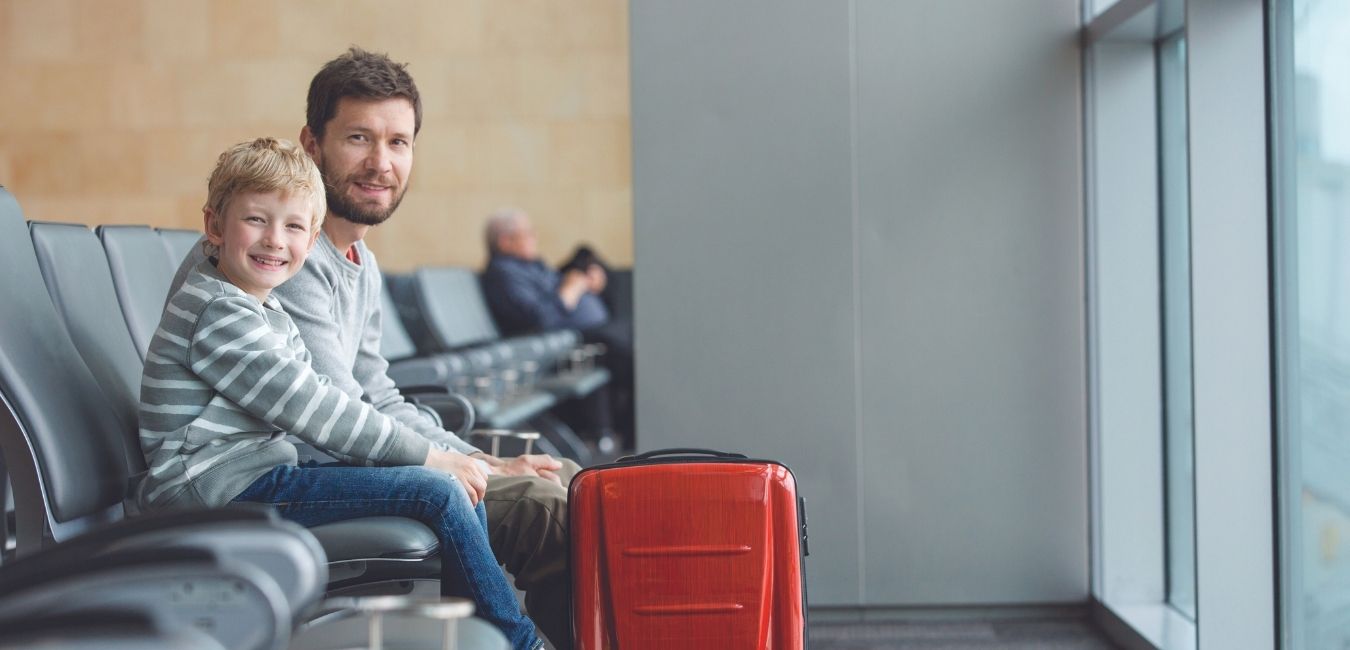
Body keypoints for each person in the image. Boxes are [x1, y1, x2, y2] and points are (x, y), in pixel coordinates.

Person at [167, 48, 578, 650]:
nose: (380, 163)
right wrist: (455, 464)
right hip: (307, 470)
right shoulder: (281, 269)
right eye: (359, 137)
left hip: (330, 460)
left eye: (398, 142)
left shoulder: (356, 263)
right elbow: (326, 417)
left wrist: (479, 458)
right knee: (553, 509)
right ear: (312, 144)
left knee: (572, 482)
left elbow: (377, 393)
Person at [480, 208, 635, 447]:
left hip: (593, 332)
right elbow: (540, 319)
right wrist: (569, 290)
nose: (535, 237)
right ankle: (626, 434)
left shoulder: (530, 266)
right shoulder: (504, 272)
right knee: (635, 360)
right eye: (528, 233)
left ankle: (622, 433)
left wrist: (586, 281)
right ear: (505, 241)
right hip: (572, 341)